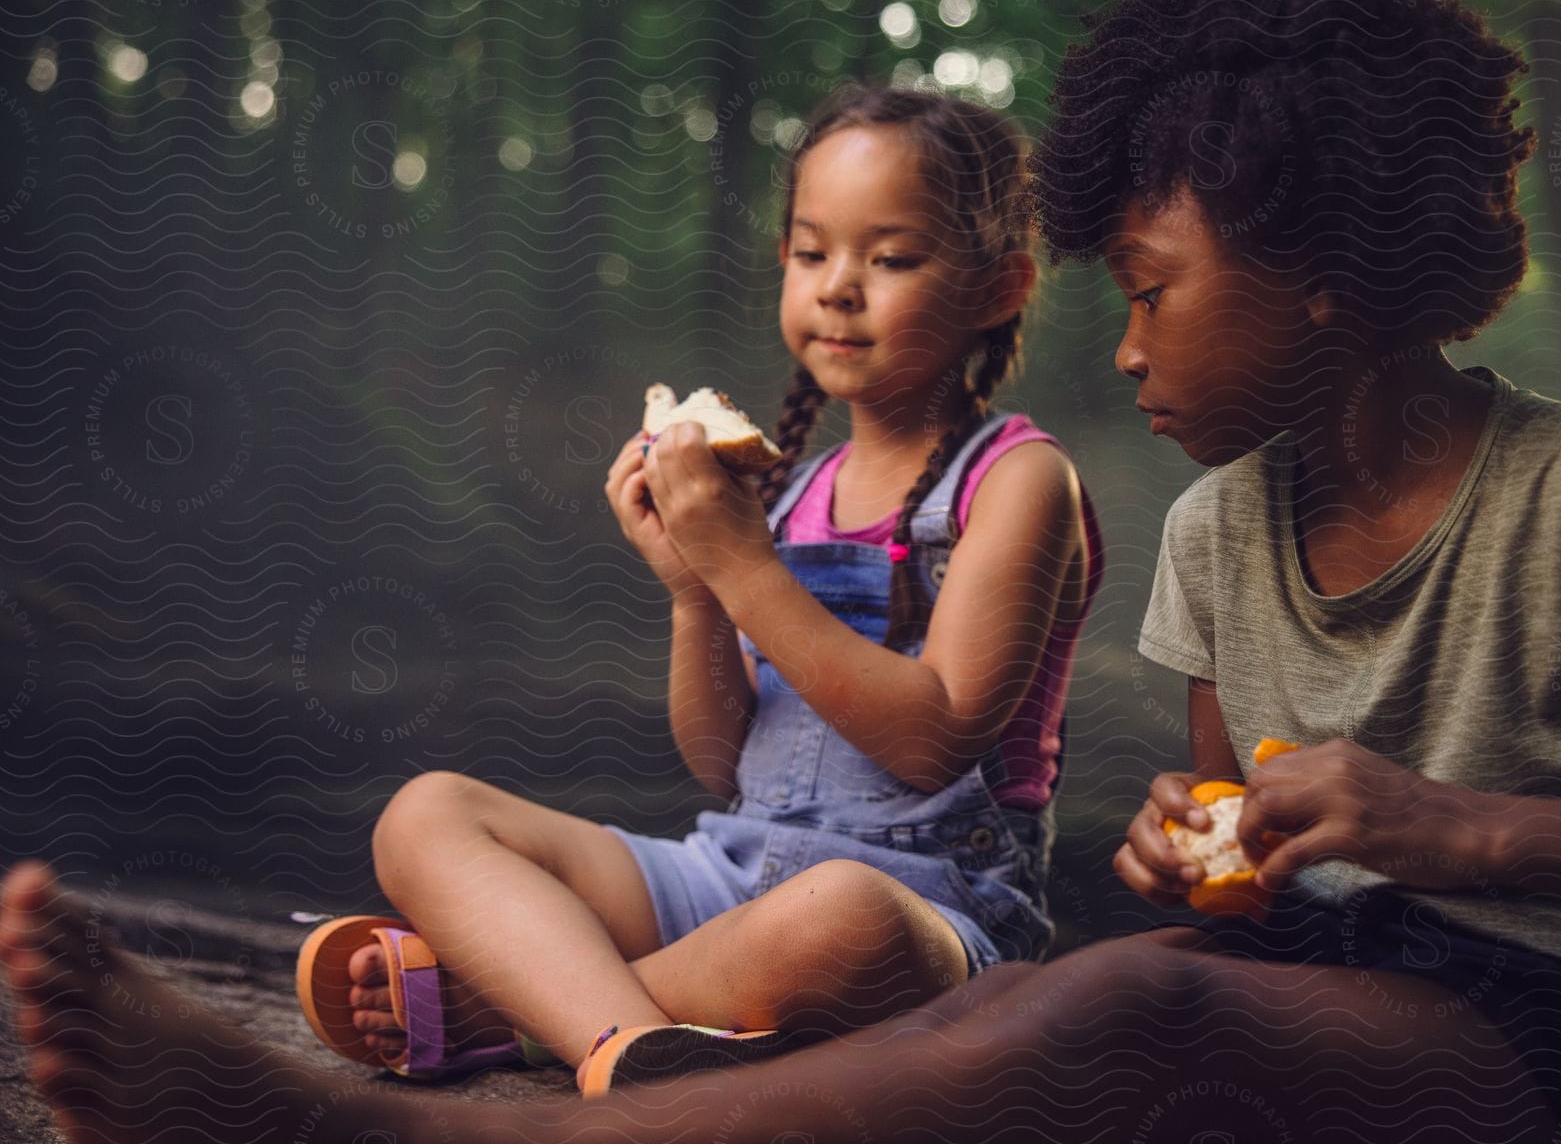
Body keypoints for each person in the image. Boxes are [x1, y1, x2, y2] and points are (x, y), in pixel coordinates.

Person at [6, 0, 1561, 1143]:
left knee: (1096, 1018)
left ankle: (401, 1120)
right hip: (1325, 982)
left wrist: (1453, 827)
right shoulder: (1221, 536)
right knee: (1083, 992)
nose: (1127, 345)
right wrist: (1196, 854)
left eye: (1156, 295)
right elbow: (1221, 847)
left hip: (1553, 1036)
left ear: (1327, 270)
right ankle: (580, 1055)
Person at [293, 83, 1102, 1095]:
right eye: (812, 252)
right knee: (425, 812)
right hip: (728, 877)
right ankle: (635, 1038)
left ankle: (516, 1010)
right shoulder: (793, 486)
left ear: (999, 286)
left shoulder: (1021, 480)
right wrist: (693, 589)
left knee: (836, 917)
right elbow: (726, 765)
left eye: (890, 258)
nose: (840, 285)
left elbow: (931, 737)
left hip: (928, 915)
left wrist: (740, 563)